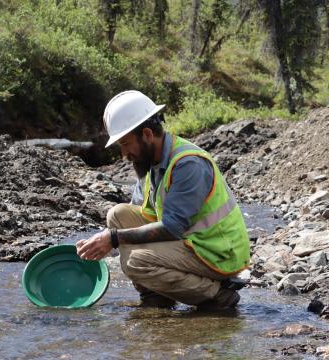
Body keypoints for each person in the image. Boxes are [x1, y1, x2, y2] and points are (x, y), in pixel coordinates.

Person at [76, 90, 250, 310]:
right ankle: (157, 296)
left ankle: (217, 295)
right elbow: (138, 214)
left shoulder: (188, 164)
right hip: (191, 240)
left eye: (126, 143)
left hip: (217, 251)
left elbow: (173, 227)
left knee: (135, 262)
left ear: (147, 134)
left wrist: (112, 239)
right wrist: (99, 244)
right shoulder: (151, 162)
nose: (124, 153)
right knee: (117, 216)